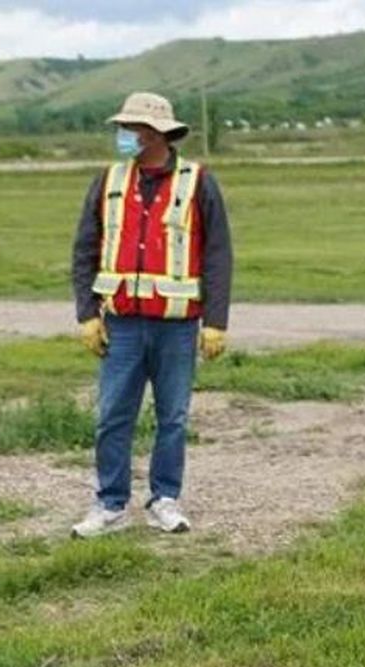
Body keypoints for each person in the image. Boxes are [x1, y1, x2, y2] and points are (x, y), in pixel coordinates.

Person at [70, 91, 233, 537]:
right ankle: (110, 505)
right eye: (123, 128)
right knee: (112, 416)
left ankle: (165, 498)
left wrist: (215, 321)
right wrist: (87, 313)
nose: (124, 136)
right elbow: (85, 249)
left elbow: (217, 254)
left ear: (156, 133)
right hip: (121, 324)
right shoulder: (108, 182)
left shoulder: (198, 182)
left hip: (177, 327)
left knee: (173, 418)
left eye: (132, 129)